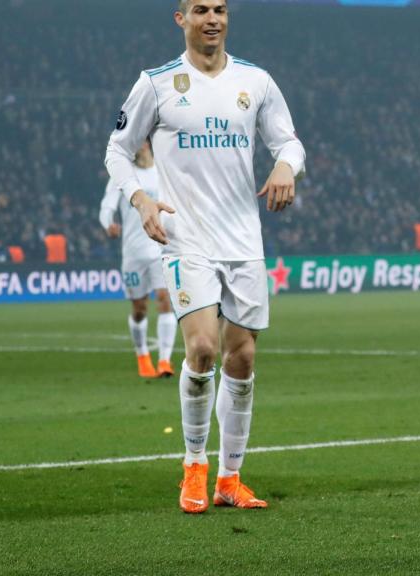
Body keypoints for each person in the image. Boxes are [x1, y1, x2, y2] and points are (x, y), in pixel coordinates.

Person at [104, 0, 305, 514]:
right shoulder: (156, 83)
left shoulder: (256, 81)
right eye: (200, 10)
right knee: (202, 350)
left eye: (219, 9)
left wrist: (286, 166)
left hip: (243, 241)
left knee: (243, 357)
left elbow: (289, 142)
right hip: (185, 238)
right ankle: (194, 467)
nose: (212, 18)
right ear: (181, 19)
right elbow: (117, 151)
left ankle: (229, 478)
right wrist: (140, 198)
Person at [99, 141, 177, 378]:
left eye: (142, 141)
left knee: (165, 300)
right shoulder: (123, 177)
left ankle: (164, 361)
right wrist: (108, 224)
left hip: (161, 249)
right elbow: (106, 207)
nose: (138, 145)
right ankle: (143, 355)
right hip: (133, 254)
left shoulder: (163, 172)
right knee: (140, 308)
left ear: (149, 144)